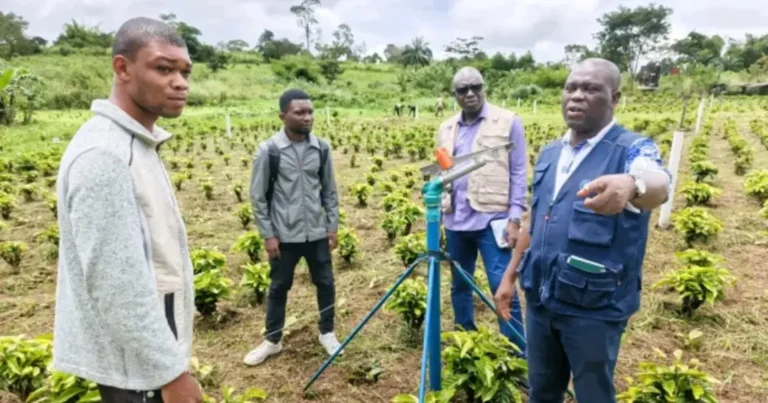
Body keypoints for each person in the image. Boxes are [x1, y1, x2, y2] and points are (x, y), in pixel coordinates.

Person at [494, 58, 672, 403]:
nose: (576, 96)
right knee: (542, 390)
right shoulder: (550, 153)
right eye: (571, 88)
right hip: (541, 299)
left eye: (591, 89)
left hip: (594, 306)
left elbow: (659, 184)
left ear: (615, 98)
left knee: (593, 393)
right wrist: (509, 276)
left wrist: (632, 184)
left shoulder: (633, 150)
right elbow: (536, 218)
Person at [53, 17, 202, 403]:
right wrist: (170, 374)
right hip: (138, 370)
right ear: (123, 68)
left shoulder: (133, 143)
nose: (180, 82)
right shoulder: (105, 155)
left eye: (184, 71)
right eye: (163, 68)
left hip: (147, 347)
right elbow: (116, 283)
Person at [244, 89, 341, 366]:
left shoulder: (321, 148)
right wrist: (268, 234)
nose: (307, 117)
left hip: (317, 233)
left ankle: (327, 333)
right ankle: (272, 340)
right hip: (283, 236)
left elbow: (329, 191)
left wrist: (331, 226)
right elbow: (258, 196)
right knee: (278, 287)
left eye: (310, 111)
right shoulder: (269, 151)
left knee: (325, 283)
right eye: (300, 112)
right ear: (283, 115)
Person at [436, 66, 527, 352]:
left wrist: (515, 216)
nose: (471, 93)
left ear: (484, 88)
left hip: (493, 220)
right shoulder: (446, 128)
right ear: (455, 95)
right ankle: (466, 341)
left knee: (502, 287)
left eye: (476, 87)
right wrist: (440, 215)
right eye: (463, 90)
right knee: (459, 284)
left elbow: (519, 171)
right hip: (456, 221)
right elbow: (442, 172)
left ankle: (515, 352)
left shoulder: (508, 121)